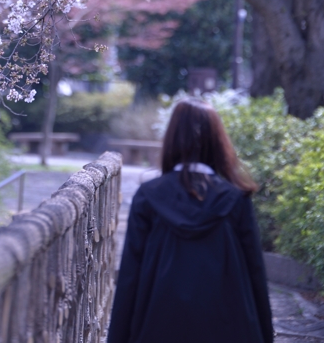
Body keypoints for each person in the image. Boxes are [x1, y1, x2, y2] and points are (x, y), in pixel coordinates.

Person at [107, 98, 273, 343]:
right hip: (228, 326)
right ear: (217, 141)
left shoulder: (149, 196)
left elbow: (130, 275)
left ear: (172, 137)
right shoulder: (234, 199)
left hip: (157, 324)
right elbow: (255, 273)